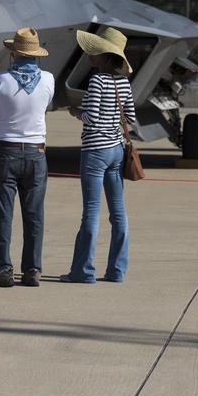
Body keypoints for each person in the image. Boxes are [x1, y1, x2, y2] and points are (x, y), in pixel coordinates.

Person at [0, 27, 55, 287]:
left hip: (6, 150)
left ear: (13, 53)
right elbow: (44, 107)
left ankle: (3, 269)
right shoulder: (48, 79)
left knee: (3, 214)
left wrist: (4, 115)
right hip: (36, 152)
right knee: (34, 214)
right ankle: (32, 269)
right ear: (36, 55)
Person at [61, 27, 136, 284]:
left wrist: (75, 111)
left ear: (105, 56)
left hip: (95, 151)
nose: (90, 54)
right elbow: (133, 119)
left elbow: (91, 118)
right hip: (117, 150)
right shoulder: (124, 82)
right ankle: (117, 270)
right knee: (118, 211)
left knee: (91, 211)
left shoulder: (97, 80)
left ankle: (83, 271)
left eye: (95, 50)